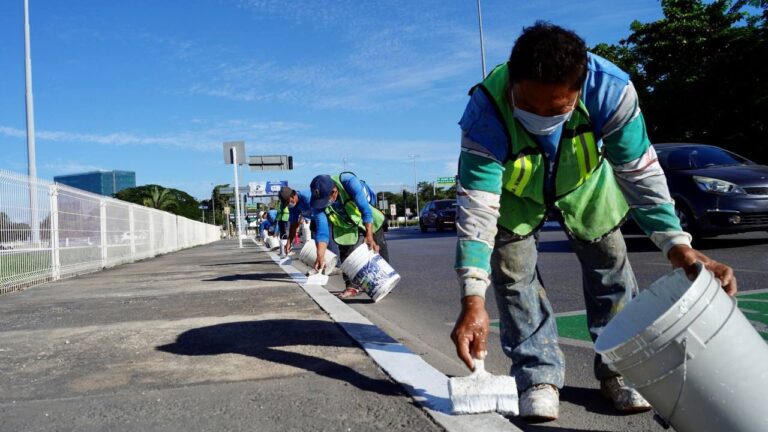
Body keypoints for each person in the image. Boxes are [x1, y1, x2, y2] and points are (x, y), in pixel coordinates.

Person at [451, 22, 737, 422]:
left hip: (586, 186)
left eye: (556, 110)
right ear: (512, 82)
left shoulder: (611, 91)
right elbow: (477, 208)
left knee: (610, 268)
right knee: (513, 277)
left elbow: (639, 172)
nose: (540, 118)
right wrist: (473, 299)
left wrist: (677, 244)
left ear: (579, 89)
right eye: (528, 106)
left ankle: (620, 370)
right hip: (514, 199)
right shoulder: (485, 111)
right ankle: (537, 376)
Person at [309, 173, 391, 300]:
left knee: (376, 244)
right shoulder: (317, 202)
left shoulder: (349, 182)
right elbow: (322, 231)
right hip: (344, 221)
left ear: (334, 192)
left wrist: (369, 235)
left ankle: (384, 281)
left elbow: (365, 210)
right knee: (346, 249)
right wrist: (320, 256)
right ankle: (351, 286)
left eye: (325, 201)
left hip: (365, 211)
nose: (323, 205)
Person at [278, 186, 313, 255]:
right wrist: (289, 242)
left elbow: (321, 215)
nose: (288, 205)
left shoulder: (307, 197)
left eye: (288, 202)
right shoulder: (293, 207)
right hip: (315, 221)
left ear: (293, 196)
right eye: (286, 204)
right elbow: (293, 225)